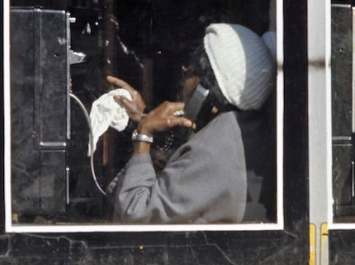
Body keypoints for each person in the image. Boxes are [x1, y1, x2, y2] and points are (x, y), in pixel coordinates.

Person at [106, 23, 275, 224]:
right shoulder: (238, 128)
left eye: (190, 70)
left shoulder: (212, 151)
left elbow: (135, 213)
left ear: (205, 88)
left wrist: (144, 133)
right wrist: (145, 119)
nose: (184, 71)